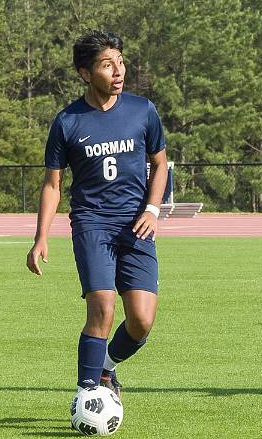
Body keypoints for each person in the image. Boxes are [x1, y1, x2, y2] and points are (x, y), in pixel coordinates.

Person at [26, 30, 168, 401]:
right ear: (85, 74)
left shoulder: (143, 111)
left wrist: (153, 209)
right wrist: (41, 236)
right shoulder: (67, 122)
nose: (118, 71)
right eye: (107, 65)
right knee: (102, 306)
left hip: (137, 225)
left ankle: (106, 369)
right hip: (92, 223)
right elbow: (53, 184)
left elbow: (160, 163)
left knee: (141, 320)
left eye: (120, 62)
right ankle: (87, 393)